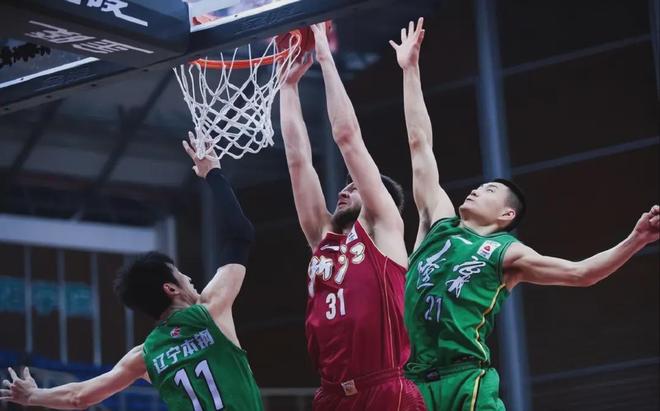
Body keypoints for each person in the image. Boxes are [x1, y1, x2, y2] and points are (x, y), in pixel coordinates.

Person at [389, 17, 660, 411]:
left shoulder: (507, 253)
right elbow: (419, 144)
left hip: (465, 380)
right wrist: (410, 68)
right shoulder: (438, 222)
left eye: (490, 190)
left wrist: (637, 239)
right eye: (480, 185)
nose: (477, 188)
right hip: (413, 381)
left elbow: (581, 273)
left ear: (505, 215)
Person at [1, 135, 264, 411]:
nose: (190, 279)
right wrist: (213, 173)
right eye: (181, 275)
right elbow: (240, 233)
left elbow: (79, 397)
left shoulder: (144, 356)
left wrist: (32, 396)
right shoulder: (211, 309)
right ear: (171, 288)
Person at [279, 23, 425, 410]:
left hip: (384, 388)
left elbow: (347, 137)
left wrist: (324, 56)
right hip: (331, 395)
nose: (344, 190)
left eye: (354, 186)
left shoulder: (382, 228)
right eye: (344, 186)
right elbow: (297, 162)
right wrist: (288, 88)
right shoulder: (322, 238)